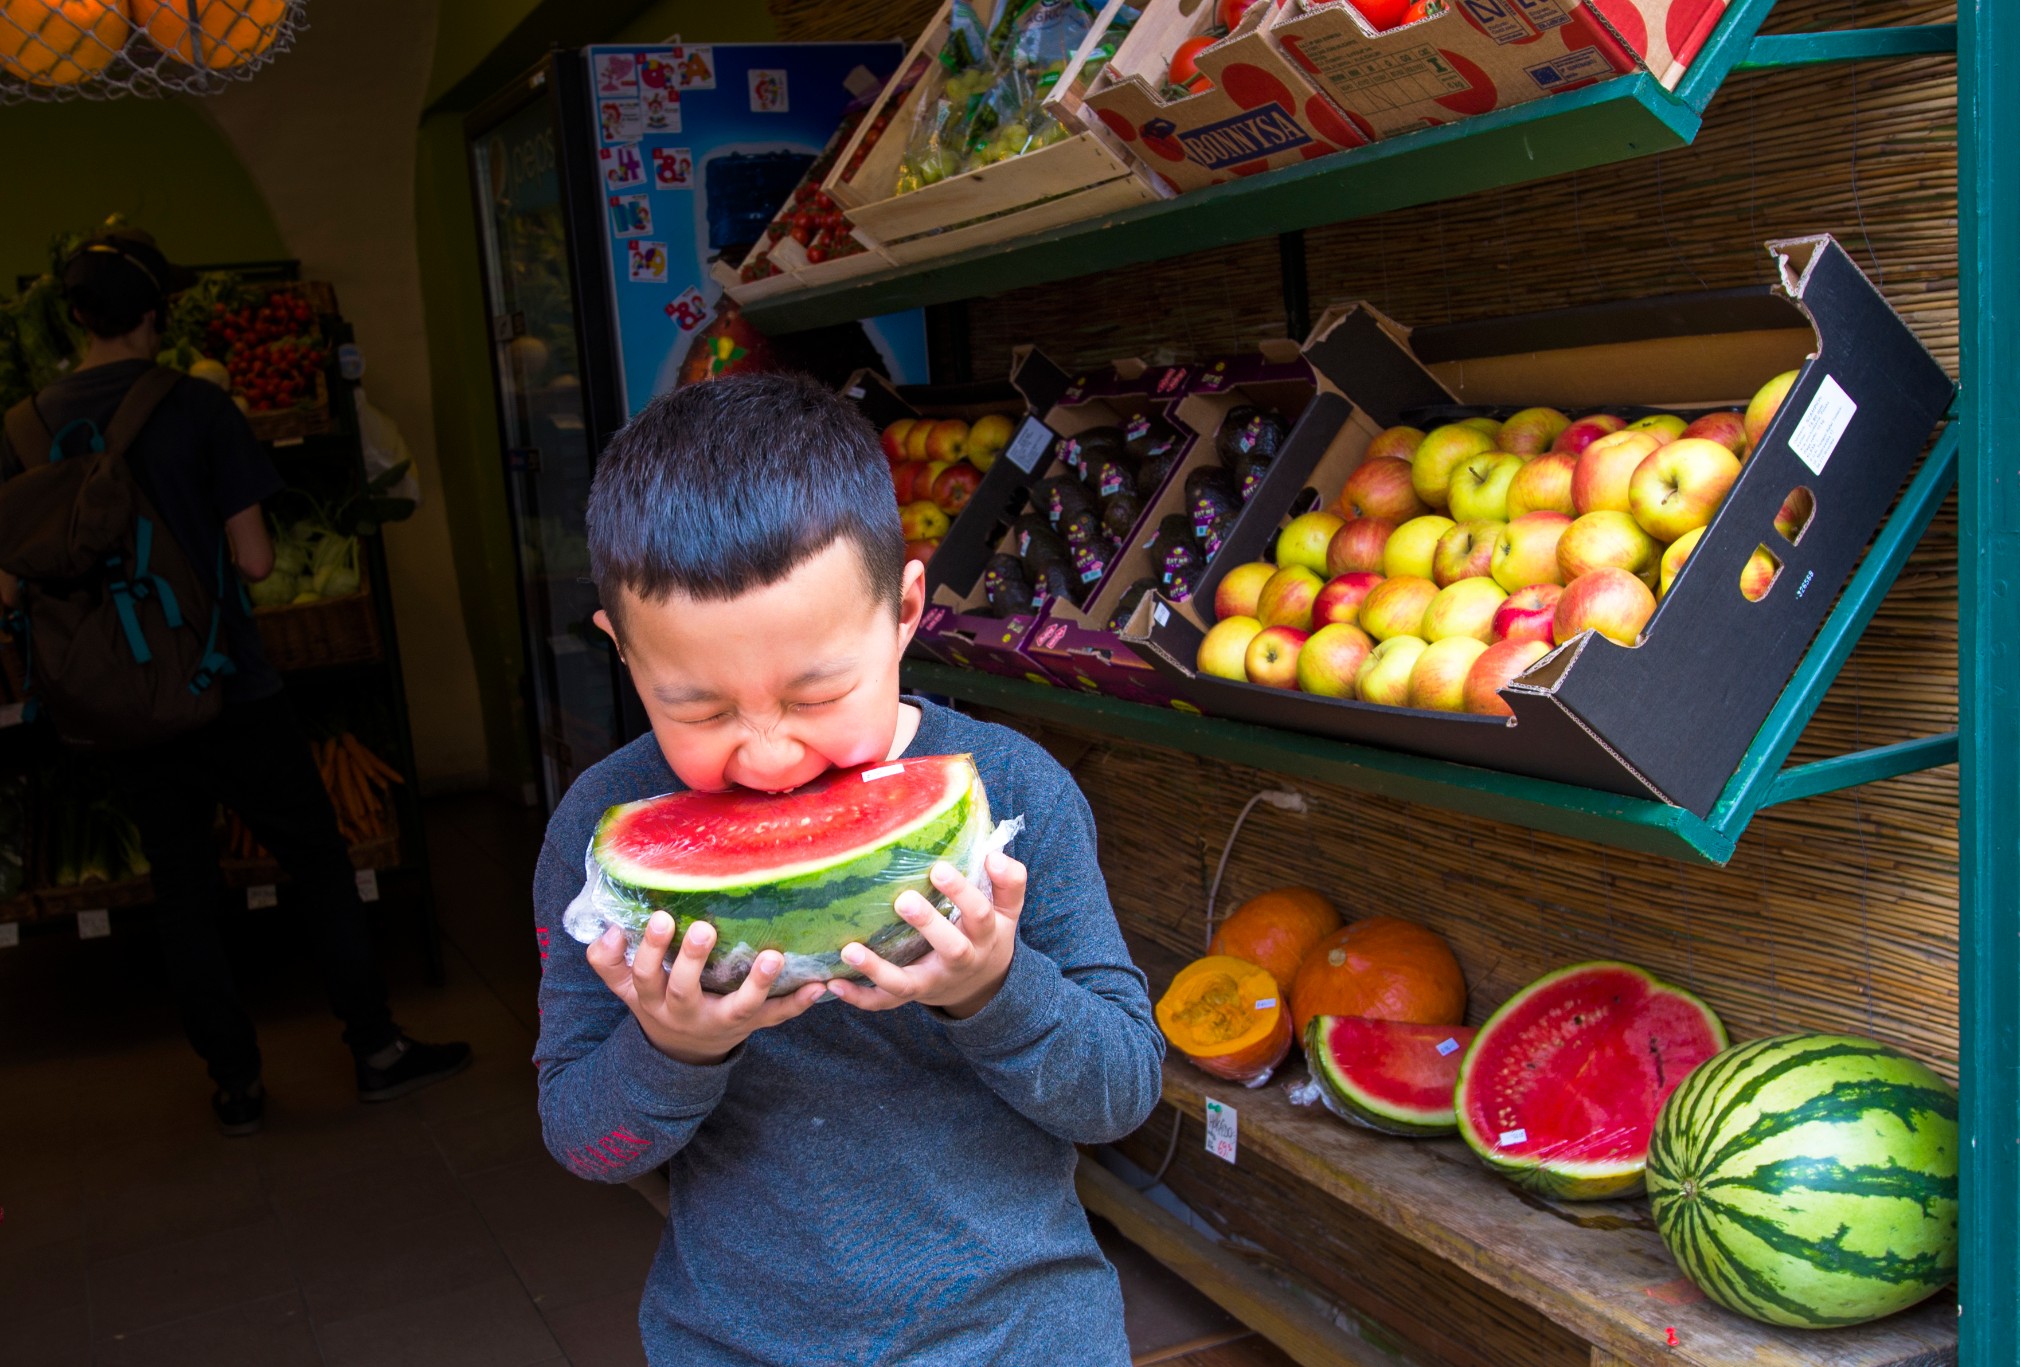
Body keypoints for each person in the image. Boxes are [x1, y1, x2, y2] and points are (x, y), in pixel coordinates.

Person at [533, 373, 1165, 1365]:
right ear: (621, 649)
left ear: (904, 609)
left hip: (1024, 1341)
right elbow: (585, 1140)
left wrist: (991, 987)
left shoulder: (1012, 792)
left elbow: (1120, 1091)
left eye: (819, 690)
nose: (771, 754)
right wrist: (671, 1043)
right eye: (698, 708)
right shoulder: (600, 836)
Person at [0, 230, 469, 1134]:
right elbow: (257, 561)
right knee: (317, 859)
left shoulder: (21, 431)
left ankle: (235, 1086)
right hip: (224, 683)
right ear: (156, 313)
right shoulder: (198, 410)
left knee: (181, 885)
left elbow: (11, 586)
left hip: (111, 701)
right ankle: (375, 1047)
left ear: (75, 317)